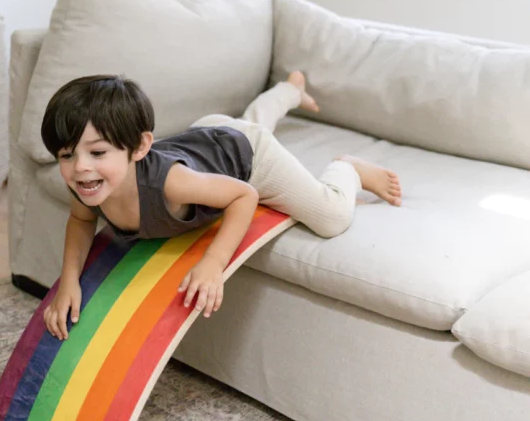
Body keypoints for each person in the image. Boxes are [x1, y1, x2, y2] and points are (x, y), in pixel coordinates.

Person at [41, 73, 402, 340]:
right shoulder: (87, 183)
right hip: (209, 138)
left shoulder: (169, 182)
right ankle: (289, 90)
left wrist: (213, 264)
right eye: (67, 155)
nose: (81, 167)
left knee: (331, 216)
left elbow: (243, 195)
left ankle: (348, 168)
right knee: (240, 128)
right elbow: (80, 221)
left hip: (248, 157)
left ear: (138, 148)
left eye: (98, 152)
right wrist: (68, 283)